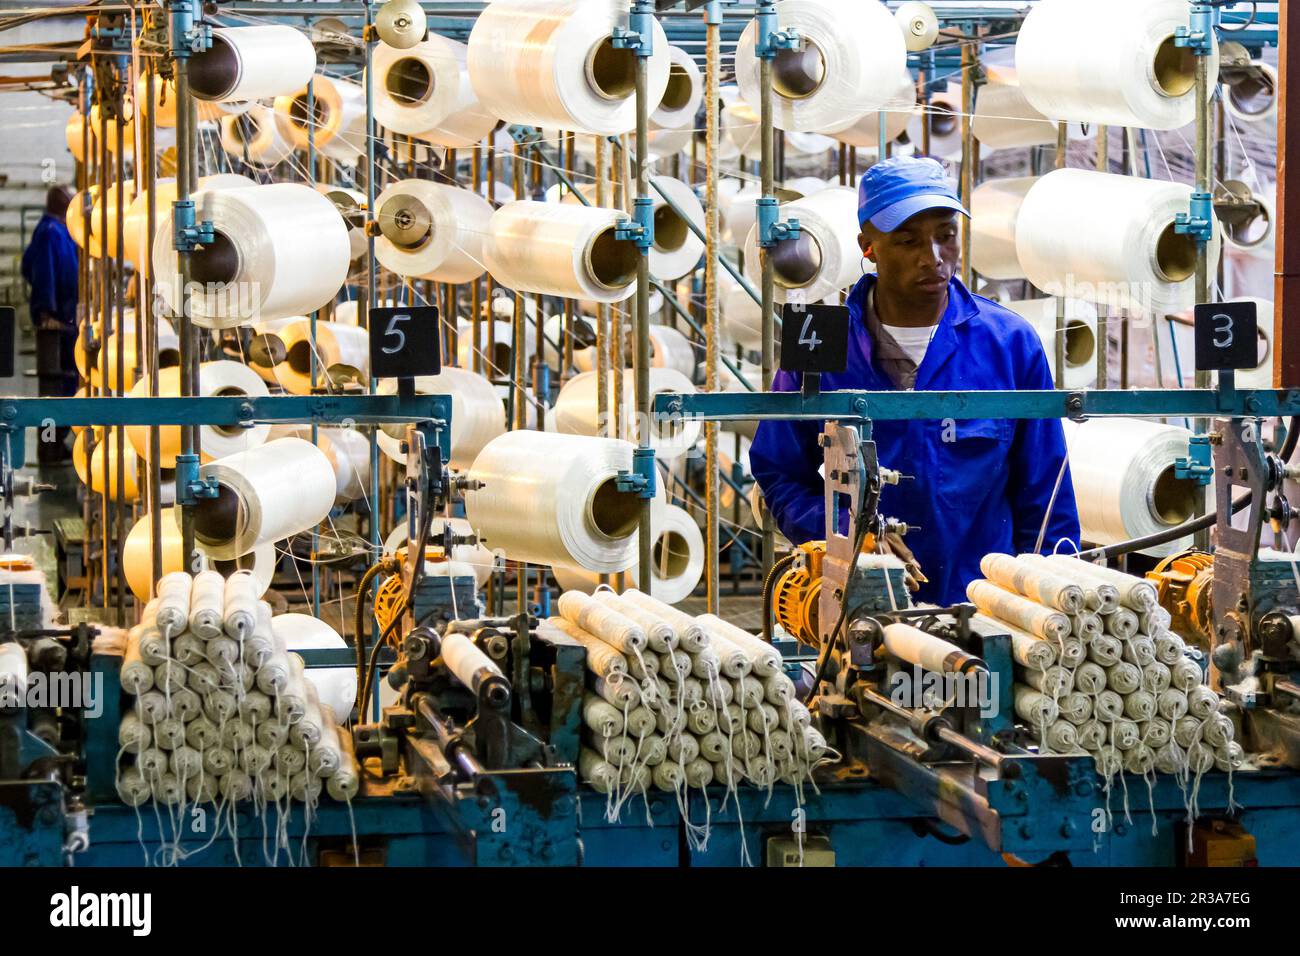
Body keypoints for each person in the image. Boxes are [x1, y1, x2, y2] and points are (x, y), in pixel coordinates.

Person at [749, 156, 1079, 606]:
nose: (934, 258)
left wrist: (1049, 605)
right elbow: (779, 472)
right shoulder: (821, 346)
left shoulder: (1009, 344)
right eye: (907, 241)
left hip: (984, 607)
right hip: (859, 606)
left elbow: (1047, 493)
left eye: (946, 236)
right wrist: (855, 537)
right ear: (868, 247)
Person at [21, 185, 80, 462]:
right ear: (63, 204)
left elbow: (26, 264)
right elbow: (40, 270)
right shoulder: (50, 232)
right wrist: (46, 313)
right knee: (58, 385)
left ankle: (56, 443)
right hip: (56, 325)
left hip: (65, 320)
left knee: (65, 383)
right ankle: (50, 447)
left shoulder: (59, 230)